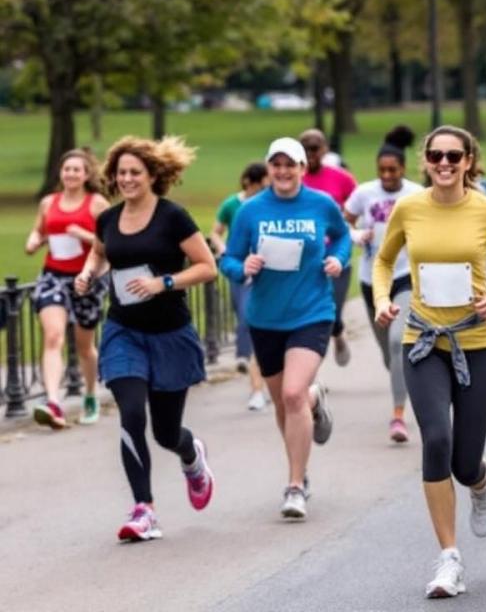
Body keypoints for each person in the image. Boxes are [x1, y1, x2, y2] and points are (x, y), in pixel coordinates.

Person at [373, 125, 486, 600]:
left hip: (479, 344)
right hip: (423, 342)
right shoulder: (409, 207)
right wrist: (382, 299)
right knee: (435, 439)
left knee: (464, 462)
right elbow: (383, 261)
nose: (444, 163)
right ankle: (449, 558)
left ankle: (480, 480)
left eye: (453, 156)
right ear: (426, 160)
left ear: (468, 161)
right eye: (436, 155)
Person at [75, 136, 217, 542]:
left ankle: (191, 455)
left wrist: (164, 282)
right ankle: (144, 510)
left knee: (165, 433)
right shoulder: (108, 218)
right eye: (121, 173)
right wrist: (89, 274)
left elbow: (207, 267)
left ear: (153, 175)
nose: (127, 179)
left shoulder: (173, 217)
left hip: (170, 333)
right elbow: (101, 254)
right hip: (123, 330)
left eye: (135, 172)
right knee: (132, 415)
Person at [219, 137, 349, 520]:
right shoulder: (250, 210)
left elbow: (341, 237)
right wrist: (243, 268)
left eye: (289, 164)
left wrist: (337, 260)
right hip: (265, 318)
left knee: (291, 394)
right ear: (268, 169)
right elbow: (228, 258)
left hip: (312, 312)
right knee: (286, 402)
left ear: (302, 168)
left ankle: (294, 486)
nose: (282, 171)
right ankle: (312, 409)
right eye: (276, 165)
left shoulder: (321, 204)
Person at [344, 126, 423, 443]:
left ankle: (398, 415)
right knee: (387, 353)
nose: (388, 175)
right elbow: (343, 221)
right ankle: (402, 379)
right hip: (371, 279)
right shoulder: (365, 193)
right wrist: (355, 235)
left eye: (393, 169)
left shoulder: (416, 194)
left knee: (396, 342)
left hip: (405, 277)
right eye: (382, 170)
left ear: (403, 169)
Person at [24, 149, 110, 429]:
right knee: (53, 336)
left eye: (77, 169)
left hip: (87, 279)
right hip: (53, 276)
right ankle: (53, 403)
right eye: (66, 169)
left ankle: (89, 394)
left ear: (86, 175)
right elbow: (40, 230)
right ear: (60, 173)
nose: (71, 174)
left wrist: (83, 235)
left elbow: (113, 243)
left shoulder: (97, 204)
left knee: (85, 346)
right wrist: (34, 241)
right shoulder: (49, 202)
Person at [210, 162, 270, 411]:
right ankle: (244, 357)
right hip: (240, 267)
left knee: (258, 321)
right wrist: (225, 252)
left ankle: (253, 364)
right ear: (251, 182)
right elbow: (215, 232)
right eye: (263, 183)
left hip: (267, 269)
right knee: (246, 315)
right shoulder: (232, 205)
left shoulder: (269, 203)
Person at [298, 128, 358, 367]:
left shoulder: (341, 177)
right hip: (304, 259)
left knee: (333, 311)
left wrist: (352, 227)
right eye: (306, 148)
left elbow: (358, 205)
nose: (311, 153)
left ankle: (338, 333)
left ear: (324, 150)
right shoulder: (295, 177)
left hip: (336, 255)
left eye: (316, 148)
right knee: (309, 317)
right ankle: (307, 367)